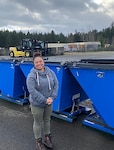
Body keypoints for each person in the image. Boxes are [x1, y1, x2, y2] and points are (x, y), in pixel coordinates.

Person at [26, 52, 58, 150]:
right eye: (36, 62)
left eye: (40, 61)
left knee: (47, 120)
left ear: (43, 61)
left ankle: (47, 138)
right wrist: (44, 100)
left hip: (49, 102)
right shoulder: (31, 76)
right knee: (38, 122)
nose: (39, 63)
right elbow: (32, 91)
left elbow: (56, 84)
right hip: (37, 104)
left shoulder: (50, 72)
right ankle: (38, 141)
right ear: (34, 64)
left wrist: (52, 98)